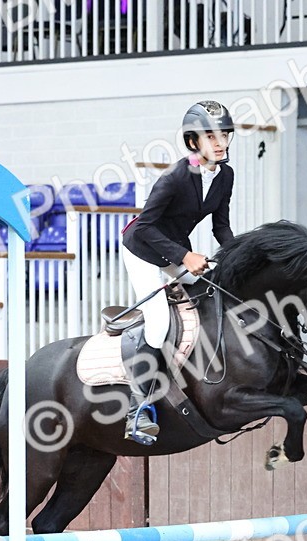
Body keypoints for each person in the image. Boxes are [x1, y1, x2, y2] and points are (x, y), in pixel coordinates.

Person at [119, 100, 236, 445]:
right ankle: (138, 409)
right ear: (192, 142)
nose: (220, 143)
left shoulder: (225, 175)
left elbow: (221, 227)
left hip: (174, 249)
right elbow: (144, 229)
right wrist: (185, 257)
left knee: (216, 294)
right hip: (141, 250)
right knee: (157, 322)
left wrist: (237, 256)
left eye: (224, 135)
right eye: (211, 136)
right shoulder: (174, 178)